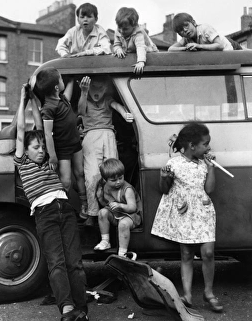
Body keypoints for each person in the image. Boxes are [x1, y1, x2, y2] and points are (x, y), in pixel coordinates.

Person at [14, 84, 88, 321]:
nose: (40, 151)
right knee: (56, 263)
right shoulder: (22, 162)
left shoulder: (48, 161)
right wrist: (23, 99)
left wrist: (36, 100)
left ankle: (82, 309)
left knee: (74, 263)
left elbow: (40, 123)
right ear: (25, 150)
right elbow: (22, 129)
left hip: (65, 209)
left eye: (41, 147)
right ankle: (67, 309)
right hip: (45, 213)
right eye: (35, 148)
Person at [151, 121, 223, 313]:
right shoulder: (173, 163)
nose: (208, 147)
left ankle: (208, 293)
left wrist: (211, 168)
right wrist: (163, 177)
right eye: (205, 144)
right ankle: (188, 295)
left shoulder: (204, 163)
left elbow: (209, 190)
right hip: (184, 212)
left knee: (208, 253)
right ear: (192, 146)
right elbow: (164, 190)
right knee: (187, 254)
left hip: (203, 211)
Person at [77, 75, 134, 226]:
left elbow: (117, 106)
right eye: (93, 88)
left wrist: (124, 113)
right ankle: (93, 213)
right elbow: (81, 111)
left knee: (113, 173)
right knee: (92, 176)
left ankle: (116, 211)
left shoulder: (108, 99)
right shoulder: (85, 99)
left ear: (107, 88)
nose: (97, 92)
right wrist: (83, 92)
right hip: (90, 138)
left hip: (108, 136)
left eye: (101, 88)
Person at [35, 67, 88, 218]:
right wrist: (52, 156)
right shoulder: (49, 107)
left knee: (80, 173)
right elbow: (47, 133)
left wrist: (71, 80)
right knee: (65, 181)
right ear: (57, 87)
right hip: (63, 149)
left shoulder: (61, 98)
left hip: (75, 143)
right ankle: (63, 210)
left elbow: (68, 95)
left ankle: (84, 205)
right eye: (61, 79)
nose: (63, 80)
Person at [93, 158, 142, 259]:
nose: (118, 182)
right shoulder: (105, 187)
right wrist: (99, 197)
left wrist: (120, 205)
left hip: (131, 216)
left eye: (120, 178)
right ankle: (105, 241)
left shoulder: (127, 189)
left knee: (123, 224)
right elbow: (106, 204)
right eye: (113, 180)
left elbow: (132, 208)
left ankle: (122, 254)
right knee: (102, 213)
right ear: (105, 180)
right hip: (117, 214)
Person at [113, 7, 159, 75]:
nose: (122, 31)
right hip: (132, 51)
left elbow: (140, 47)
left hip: (149, 51)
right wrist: (118, 49)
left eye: (125, 29)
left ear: (134, 26)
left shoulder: (138, 33)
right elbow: (116, 45)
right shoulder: (118, 32)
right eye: (120, 27)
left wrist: (141, 61)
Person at [168, 12, 240, 52]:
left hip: (229, 44)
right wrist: (185, 48)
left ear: (193, 23)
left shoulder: (205, 28)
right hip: (218, 50)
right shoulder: (185, 39)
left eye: (186, 25)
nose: (185, 30)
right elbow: (170, 49)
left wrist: (198, 46)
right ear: (180, 35)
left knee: (248, 54)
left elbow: (220, 46)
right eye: (181, 30)